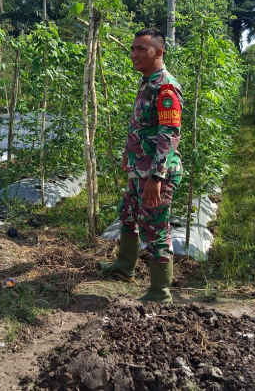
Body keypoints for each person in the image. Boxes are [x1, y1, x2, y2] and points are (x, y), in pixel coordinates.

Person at [101, 28, 183, 303]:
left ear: (159, 52)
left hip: (155, 174)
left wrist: (156, 177)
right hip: (140, 170)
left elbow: (169, 135)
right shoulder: (147, 83)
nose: (134, 54)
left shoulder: (165, 87)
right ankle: (124, 268)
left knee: (155, 228)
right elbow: (141, 127)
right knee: (128, 215)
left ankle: (160, 292)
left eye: (141, 50)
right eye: (133, 48)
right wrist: (129, 154)